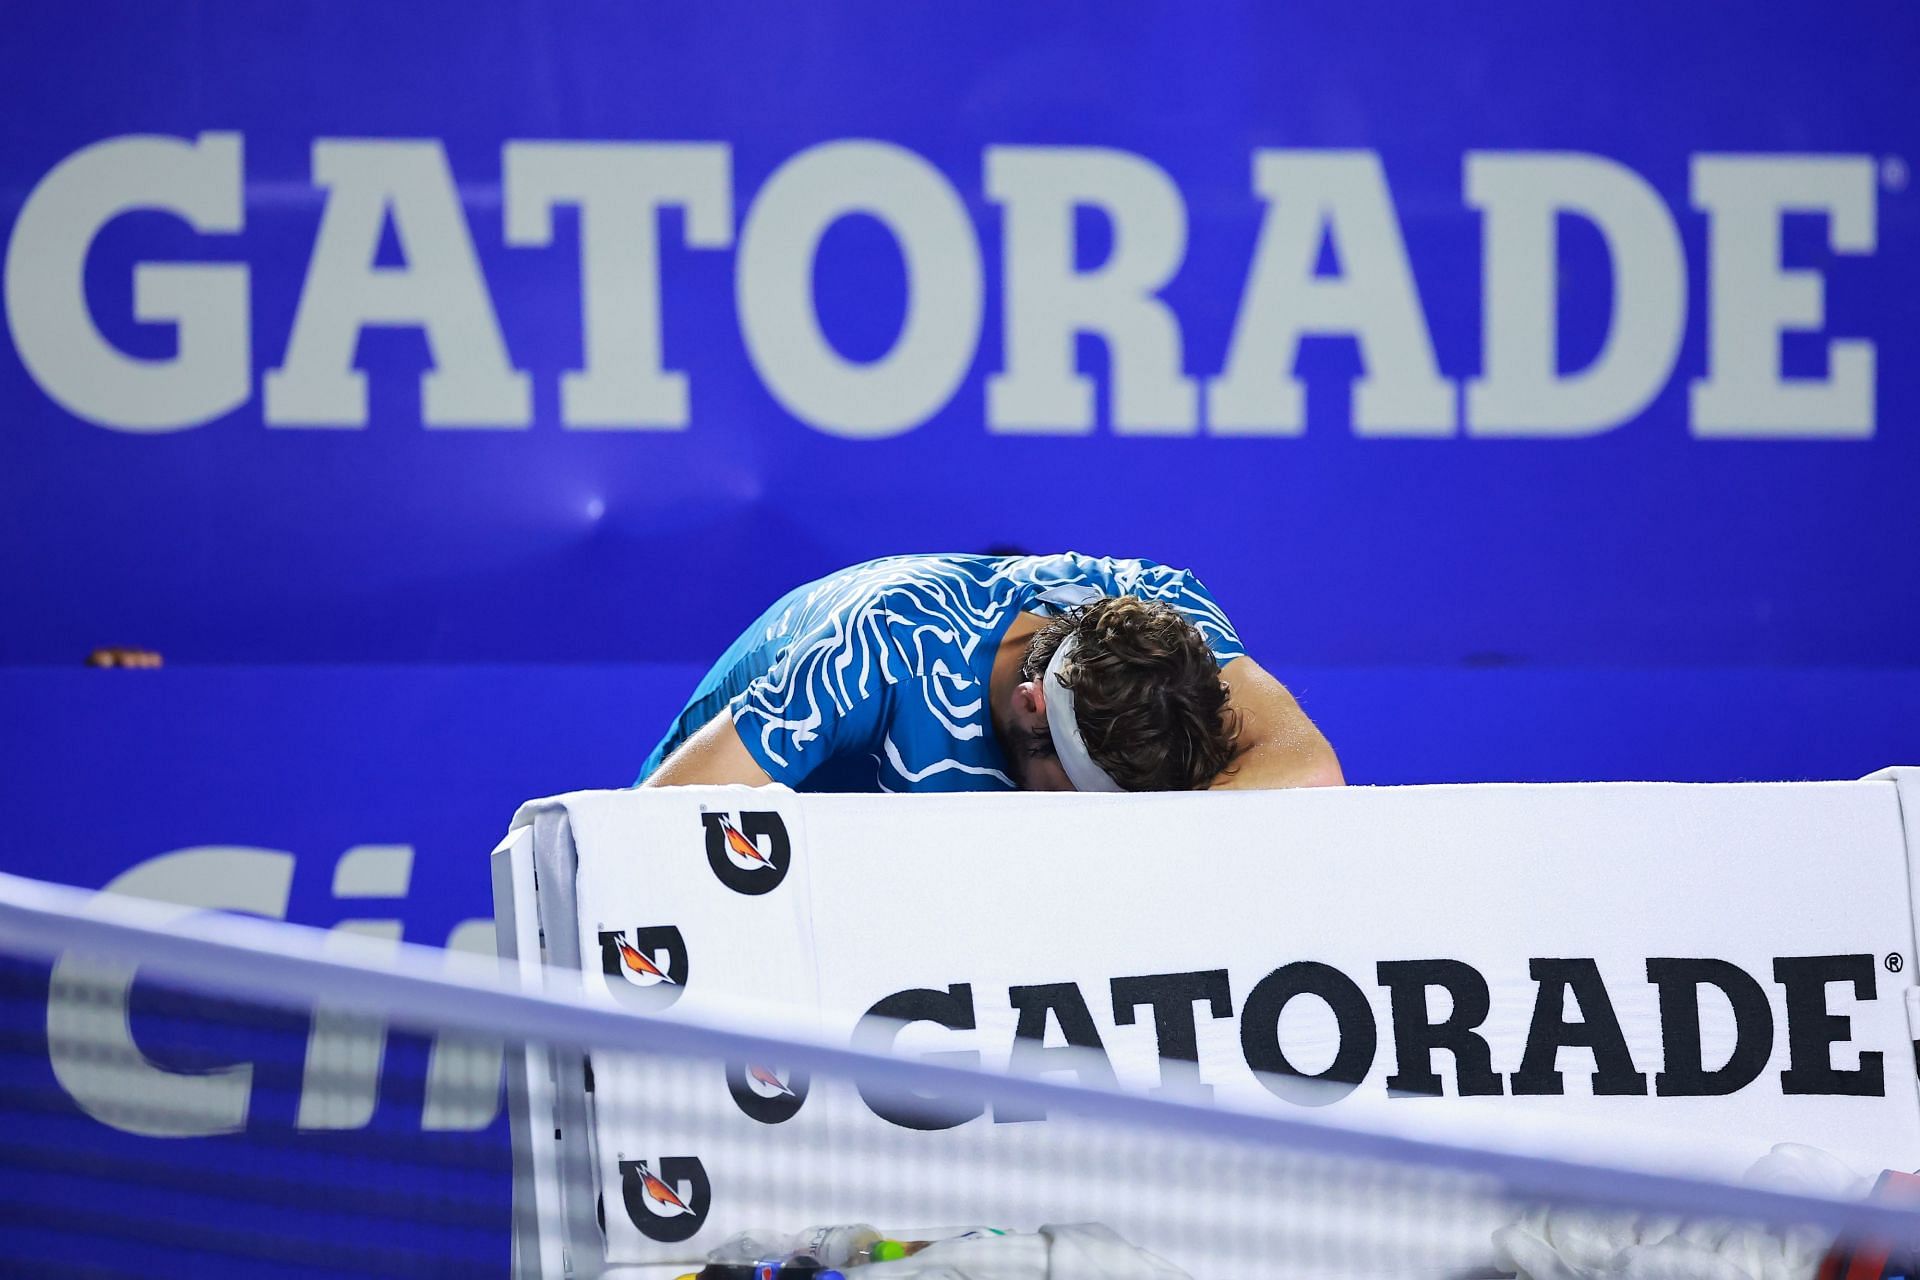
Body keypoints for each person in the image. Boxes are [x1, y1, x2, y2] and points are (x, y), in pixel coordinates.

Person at [639, 552, 1341, 793]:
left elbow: (1309, 770)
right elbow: (652, 827)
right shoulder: (882, 647)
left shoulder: (1166, 610)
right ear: (1033, 707)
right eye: (1083, 796)